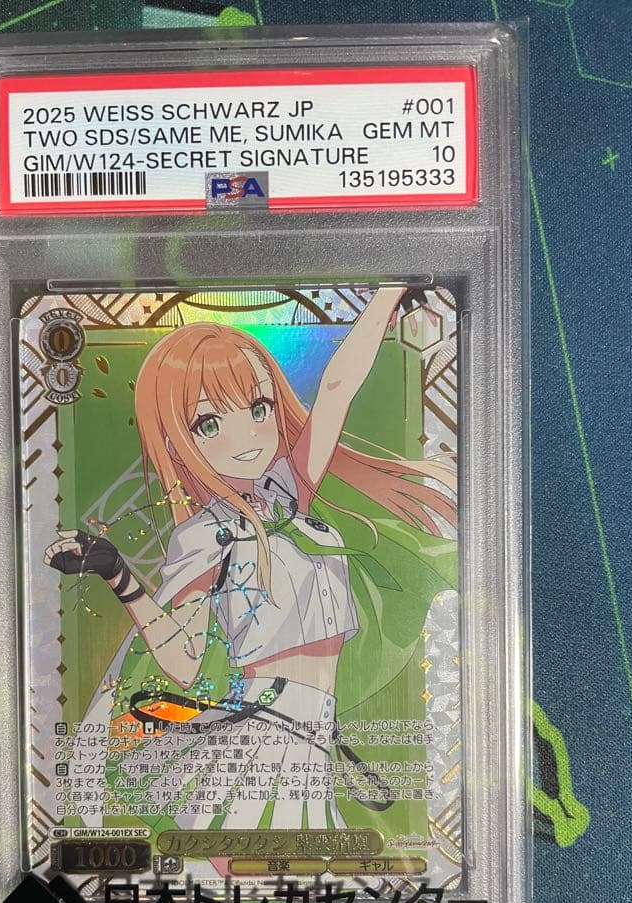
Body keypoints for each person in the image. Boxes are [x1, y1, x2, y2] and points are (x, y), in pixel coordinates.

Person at [45, 287, 457, 835]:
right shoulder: (204, 536)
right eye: (208, 424)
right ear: (177, 438)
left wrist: (387, 295)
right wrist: (119, 575)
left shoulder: (285, 495)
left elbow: (336, 389)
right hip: (262, 742)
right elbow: (185, 661)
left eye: (259, 409)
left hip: (310, 738)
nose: (247, 436)